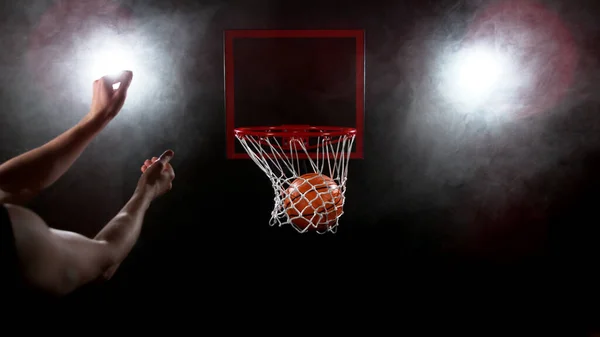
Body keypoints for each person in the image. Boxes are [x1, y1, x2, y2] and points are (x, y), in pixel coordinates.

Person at [0, 70, 175, 299]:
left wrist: (96, 118)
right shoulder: (19, 237)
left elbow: (11, 182)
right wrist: (146, 192)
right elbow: (104, 256)